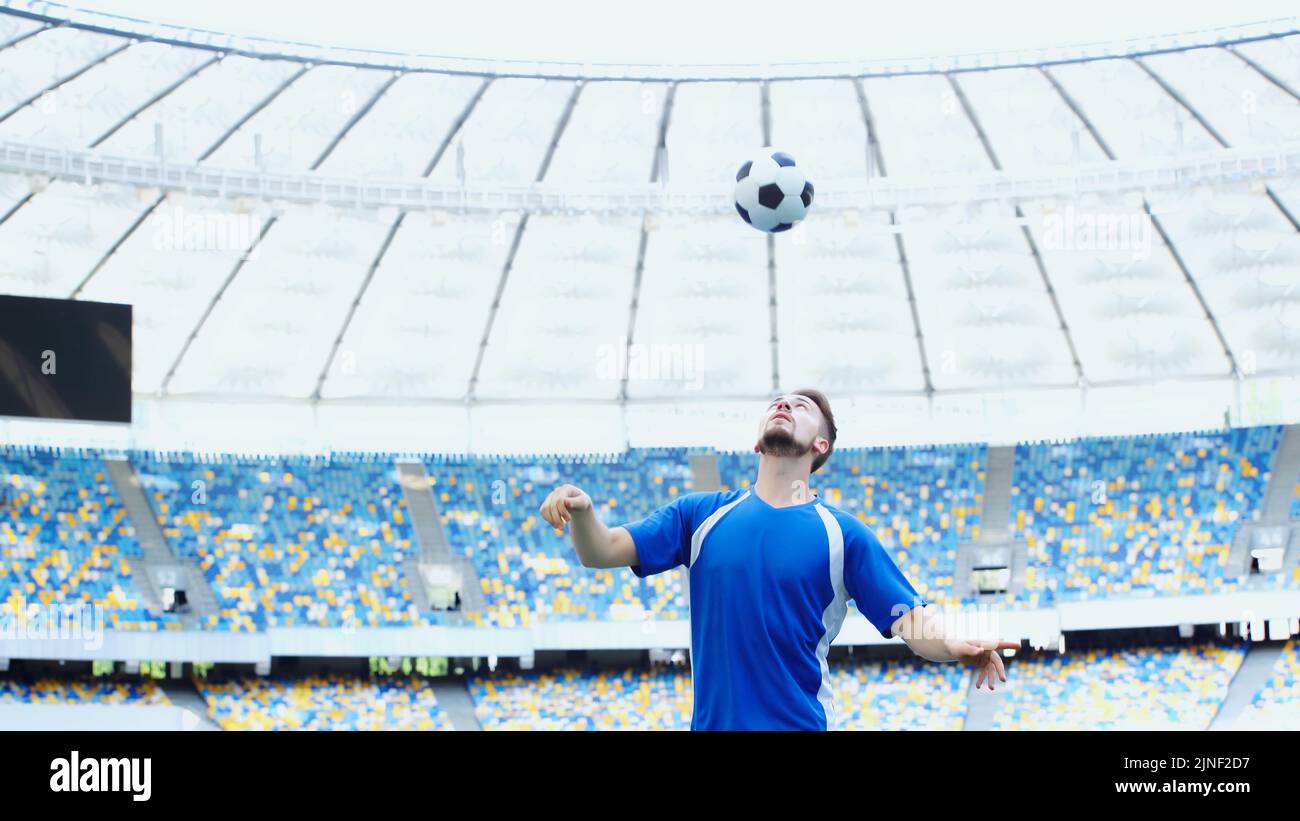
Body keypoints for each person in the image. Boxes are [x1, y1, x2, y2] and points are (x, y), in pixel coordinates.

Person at [539, 388, 1017, 730]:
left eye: (801, 406)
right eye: (778, 402)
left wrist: (955, 642)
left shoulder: (843, 535)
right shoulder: (697, 516)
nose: (784, 405)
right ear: (757, 440)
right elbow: (600, 551)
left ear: (821, 445)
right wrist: (582, 511)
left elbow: (911, 620)